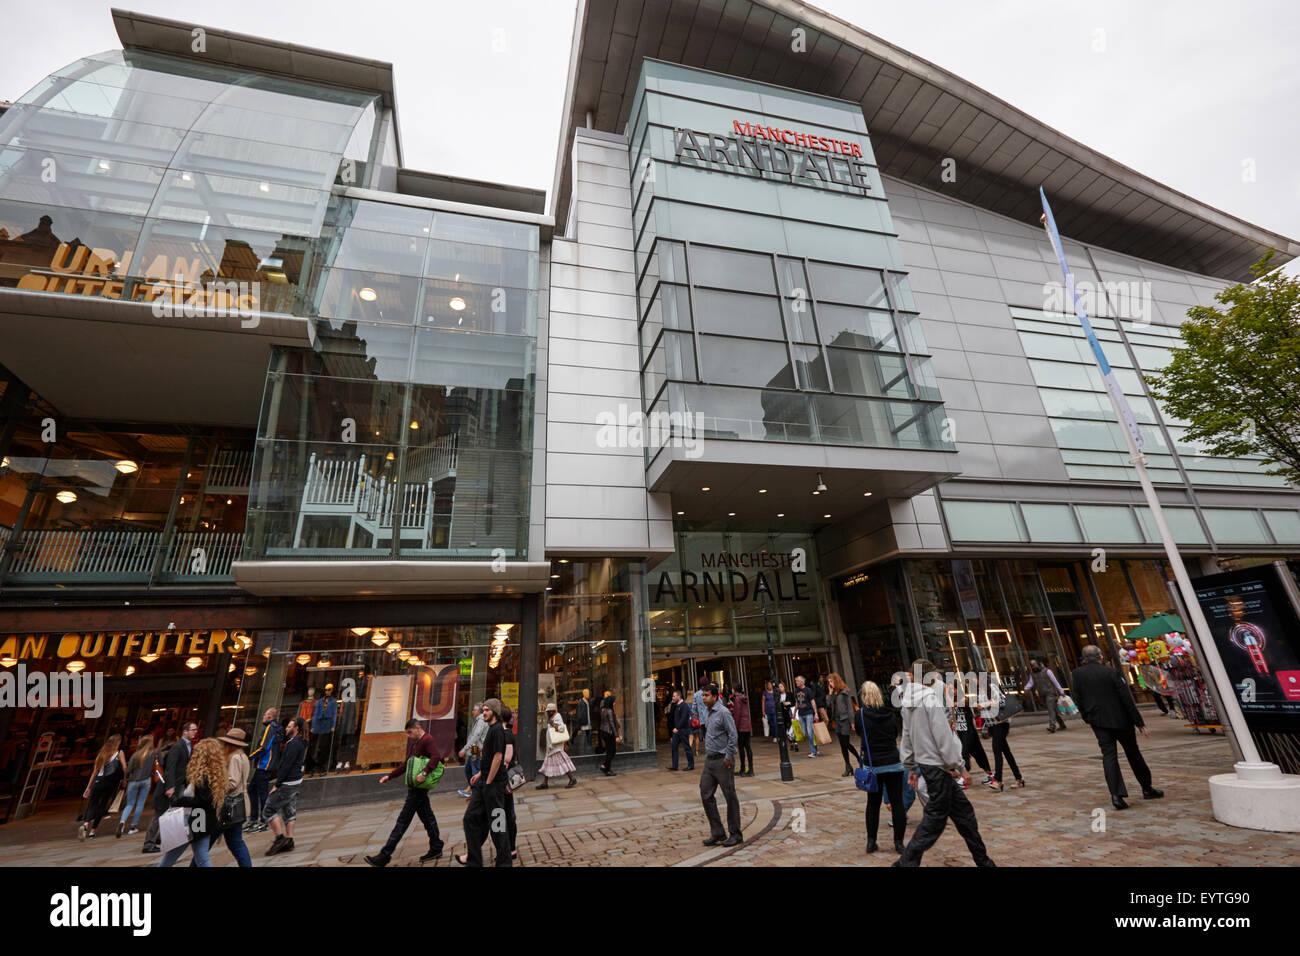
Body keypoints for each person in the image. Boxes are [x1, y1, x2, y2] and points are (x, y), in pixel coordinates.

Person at [896, 659, 996, 867]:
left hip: (928, 765)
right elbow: (943, 737)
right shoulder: (930, 699)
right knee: (934, 821)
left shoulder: (906, 701)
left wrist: (910, 766)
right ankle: (904, 863)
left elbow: (906, 737)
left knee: (964, 814)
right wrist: (959, 766)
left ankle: (983, 861)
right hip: (938, 766)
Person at [1071, 645, 1164, 810]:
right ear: (1100, 657)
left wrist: (1087, 717)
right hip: (1121, 719)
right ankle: (1147, 788)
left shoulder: (1077, 674)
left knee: (1109, 756)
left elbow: (1078, 698)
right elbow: (1126, 698)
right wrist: (1139, 722)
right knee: (1133, 753)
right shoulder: (1111, 672)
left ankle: (1116, 795)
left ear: (1084, 659)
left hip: (1098, 720)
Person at [365, 718, 445, 866]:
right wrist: (390, 776)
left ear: (417, 728)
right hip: (416, 787)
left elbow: (436, 757)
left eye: (410, 732)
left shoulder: (427, 740)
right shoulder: (415, 744)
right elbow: (406, 764)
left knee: (402, 821)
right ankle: (436, 847)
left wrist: (424, 773)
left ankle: (385, 855)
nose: (409, 735)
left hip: (418, 788)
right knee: (428, 818)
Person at [457, 698, 511, 867]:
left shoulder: (497, 730)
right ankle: (474, 859)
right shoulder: (491, 729)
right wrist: (480, 774)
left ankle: (504, 862)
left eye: (487, 710)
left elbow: (498, 757)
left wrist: (488, 782)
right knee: (470, 818)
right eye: (483, 710)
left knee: (497, 825)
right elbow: (489, 757)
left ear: (495, 712)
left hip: (493, 785)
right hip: (484, 783)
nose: (484, 713)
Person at [160, 737, 228, 868]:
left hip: (195, 819)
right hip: (202, 820)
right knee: (201, 858)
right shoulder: (215, 775)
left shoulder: (202, 776)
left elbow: (201, 800)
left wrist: (178, 801)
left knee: (173, 857)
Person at [858, 680, 906, 854]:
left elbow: (860, 734)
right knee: (897, 802)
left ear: (864, 696)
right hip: (892, 762)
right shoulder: (890, 714)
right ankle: (899, 843)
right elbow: (894, 734)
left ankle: (871, 841)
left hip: (873, 765)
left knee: (873, 804)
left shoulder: (861, 715)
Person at [698, 682, 742, 847]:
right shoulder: (708, 712)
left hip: (723, 760)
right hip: (710, 761)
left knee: (730, 796)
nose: (704, 698)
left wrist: (729, 756)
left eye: (706, 695)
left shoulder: (723, 712)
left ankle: (735, 833)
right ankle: (717, 832)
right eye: (703, 695)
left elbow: (733, 735)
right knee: (705, 794)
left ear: (715, 696)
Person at [143, 721, 195, 853]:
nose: (195, 732)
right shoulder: (177, 747)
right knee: (159, 814)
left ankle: (160, 838)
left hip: (178, 785)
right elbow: (170, 768)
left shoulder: (187, 746)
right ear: (185, 731)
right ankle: (148, 843)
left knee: (175, 812)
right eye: (193, 730)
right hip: (169, 786)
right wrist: (170, 787)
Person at [263, 716, 307, 856]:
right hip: (295, 781)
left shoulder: (293, 744)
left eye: (289, 726)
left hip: (287, 782)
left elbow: (286, 766)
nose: (286, 728)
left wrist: (277, 784)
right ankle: (289, 840)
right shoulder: (300, 742)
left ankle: (279, 839)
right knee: (289, 810)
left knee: (268, 809)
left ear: (296, 728)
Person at [210, 727, 252, 867]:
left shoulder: (234, 757)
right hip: (237, 804)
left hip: (229, 806)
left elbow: (232, 782)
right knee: (235, 842)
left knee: (208, 842)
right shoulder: (243, 757)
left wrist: (215, 786)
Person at [981, 676, 1024, 792]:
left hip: (1001, 723)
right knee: (1006, 752)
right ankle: (1019, 778)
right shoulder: (981, 690)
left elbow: (1001, 702)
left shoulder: (992, 687)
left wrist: (985, 704)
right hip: (992, 724)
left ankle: (998, 780)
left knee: (997, 750)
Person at [80, 734, 126, 840]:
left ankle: (85, 825)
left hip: (98, 781)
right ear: (117, 743)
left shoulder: (102, 754)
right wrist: (124, 779)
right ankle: (93, 831)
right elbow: (124, 767)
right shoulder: (119, 753)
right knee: (102, 806)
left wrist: (88, 787)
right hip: (110, 783)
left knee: (93, 805)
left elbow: (94, 772)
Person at [246, 707, 282, 825]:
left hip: (264, 765)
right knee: (254, 790)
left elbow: (263, 747)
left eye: (265, 715)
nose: (263, 717)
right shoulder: (277, 728)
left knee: (260, 792)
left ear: (270, 717)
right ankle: (258, 818)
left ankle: (262, 818)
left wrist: (250, 757)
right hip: (268, 766)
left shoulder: (270, 728)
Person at [951, 694, 992, 786]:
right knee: (978, 754)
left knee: (965, 753)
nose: (951, 691)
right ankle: (990, 775)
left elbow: (956, 704)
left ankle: (964, 778)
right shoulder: (952, 700)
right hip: (961, 732)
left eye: (953, 689)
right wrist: (952, 723)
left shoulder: (964, 699)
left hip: (969, 731)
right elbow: (952, 713)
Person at [118, 734, 154, 837]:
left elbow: (129, 769)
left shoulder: (135, 755)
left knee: (129, 804)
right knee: (140, 803)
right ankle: (133, 826)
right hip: (146, 780)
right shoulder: (153, 754)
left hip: (133, 781)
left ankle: (122, 821)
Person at [537, 703, 579, 789]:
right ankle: (545, 783)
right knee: (547, 764)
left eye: (548, 711)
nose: (547, 713)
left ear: (551, 711)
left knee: (561, 763)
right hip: (552, 746)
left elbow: (562, 728)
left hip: (556, 747)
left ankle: (572, 779)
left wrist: (553, 725)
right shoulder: (553, 717)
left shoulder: (557, 716)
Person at [498, 704, 521, 861]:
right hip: (504, 781)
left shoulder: (505, 735)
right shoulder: (506, 733)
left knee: (504, 814)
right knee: (506, 813)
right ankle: (508, 848)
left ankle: (508, 849)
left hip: (502, 781)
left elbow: (506, 760)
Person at [827, 673, 860, 777]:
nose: (830, 684)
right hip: (837, 721)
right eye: (829, 682)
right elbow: (828, 704)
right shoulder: (834, 693)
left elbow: (850, 708)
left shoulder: (844, 692)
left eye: (831, 681)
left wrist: (852, 722)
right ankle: (848, 766)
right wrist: (830, 693)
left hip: (845, 720)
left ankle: (859, 759)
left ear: (836, 681)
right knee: (842, 744)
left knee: (846, 743)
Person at [1025, 660, 1068, 732]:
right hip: (1042, 694)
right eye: (1032, 665)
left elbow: (1055, 681)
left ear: (1038, 664)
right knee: (1052, 710)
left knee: (1050, 708)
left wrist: (1061, 691)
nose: (1033, 666)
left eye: (1034, 664)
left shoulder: (1047, 671)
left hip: (1050, 693)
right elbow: (1030, 683)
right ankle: (1062, 724)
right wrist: (1026, 688)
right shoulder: (1032, 674)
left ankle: (1052, 725)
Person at [458, 703, 487, 798]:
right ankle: (471, 789)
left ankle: (476, 792)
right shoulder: (479, 720)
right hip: (474, 748)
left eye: (474, 710)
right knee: (469, 768)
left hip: (476, 749)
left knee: (474, 769)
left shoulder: (481, 721)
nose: (472, 711)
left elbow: (476, 736)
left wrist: (464, 749)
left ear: (479, 711)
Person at [729, 684, 754, 777]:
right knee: (748, 747)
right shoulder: (743, 698)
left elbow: (737, 714)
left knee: (741, 748)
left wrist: (734, 727)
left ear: (734, 690)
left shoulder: (737, 699)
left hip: (740, 726)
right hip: (746, 725)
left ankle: (743, 768)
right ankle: (750, 769)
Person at [668, 690, 695, 771]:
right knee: (674, 747)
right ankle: (675, 766)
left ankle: (691, 765)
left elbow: (683, 718)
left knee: (687, 748)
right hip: (677, 731)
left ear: (679, 697)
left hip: (683, 730)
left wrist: (677, 728)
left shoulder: (684, 705)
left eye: (674, 696)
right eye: (672, 696)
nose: (672, 698)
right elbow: (671, 715)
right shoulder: (676, 705)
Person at [793, 676, 819, 757]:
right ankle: (815, 746)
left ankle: (813, 752)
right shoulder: (796, 690)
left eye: (797, 681)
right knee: (805, 733)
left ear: (802, 682)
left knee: (810, 732)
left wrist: (816, 713)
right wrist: (794, 713)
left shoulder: (808, 690)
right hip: (801, 714)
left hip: (809, 713)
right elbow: (797, 702)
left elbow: (813, 702)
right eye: (796, 681)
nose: (796, 682)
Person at [599, 692, 622, 776]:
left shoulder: (604, 710)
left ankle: (605, 767)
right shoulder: (609, 711)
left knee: (611, 751)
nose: (614, 703)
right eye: (613, 702)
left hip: (603, 732)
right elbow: (612, 724)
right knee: (611, 751)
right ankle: (606, 769)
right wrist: (616, 736)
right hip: (609, 733)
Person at [576, 689, 594, 756]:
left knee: (588, 741)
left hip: (588, 725)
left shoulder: (588, 702)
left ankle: (588, 754)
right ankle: (582, 755)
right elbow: (579, 715)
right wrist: (579, 727)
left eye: (588, 693)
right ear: (584, 694)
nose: (588, 694)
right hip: (583, 725)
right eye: (587, 693)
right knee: (582, 741)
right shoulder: (581, 703)